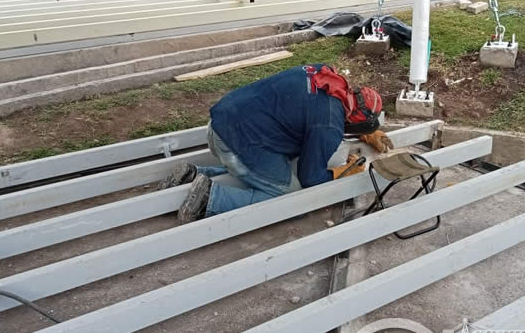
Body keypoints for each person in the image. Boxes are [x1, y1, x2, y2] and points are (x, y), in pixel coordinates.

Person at [161, 64, 394, 224]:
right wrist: (343, 173)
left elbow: (313, 115)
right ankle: (211, 198)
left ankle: (193, 176)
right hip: (235, 145)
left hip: (220, 125)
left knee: (275, 167)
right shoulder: (329, 125)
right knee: (290, 197)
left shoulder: (324, 74)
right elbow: (311, 178)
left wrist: (365, 132)